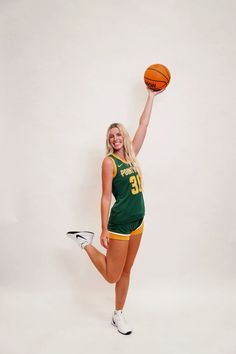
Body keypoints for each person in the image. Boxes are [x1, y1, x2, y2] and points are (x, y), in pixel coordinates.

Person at [67, 88, 164, 335]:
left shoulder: (132, 156)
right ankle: (84, 242)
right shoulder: (109, 162)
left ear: (124, 136)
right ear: (108, 141)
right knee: (112, 275)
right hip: (120, 223)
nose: (115, 138)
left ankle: (117, 314)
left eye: (118, 133)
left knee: (126, 271)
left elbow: (144, 123)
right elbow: (105, 196)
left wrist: (151, 96)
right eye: (111, 136)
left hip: (138, 222)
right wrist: (102, 229)